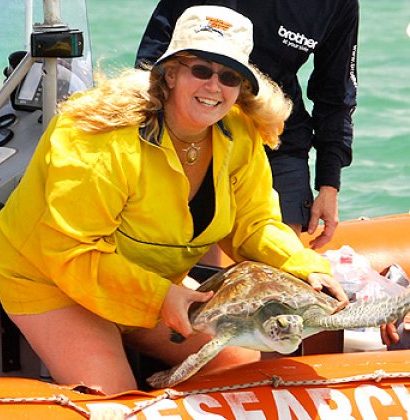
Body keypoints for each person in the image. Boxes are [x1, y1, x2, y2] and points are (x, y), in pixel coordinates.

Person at [0, 6, 348, 394]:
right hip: (49, 278)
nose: (214, 86)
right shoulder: (96, 136)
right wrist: (161, 297)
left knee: (248, 376)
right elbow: (69, 252)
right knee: (116, 399)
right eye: (201, 70)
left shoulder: (240, 134)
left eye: (229, 76)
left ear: (241, 89)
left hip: (153, 284)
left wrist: (303, 265)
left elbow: (254, 225)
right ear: (171, 72)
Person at [135, 0, 359, 250]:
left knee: (283, 260)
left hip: (276, 140)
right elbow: (151, 64)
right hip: (191, 134)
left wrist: (329, 185)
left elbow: (336, 94)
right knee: (190, 266)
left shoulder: (338, 5)